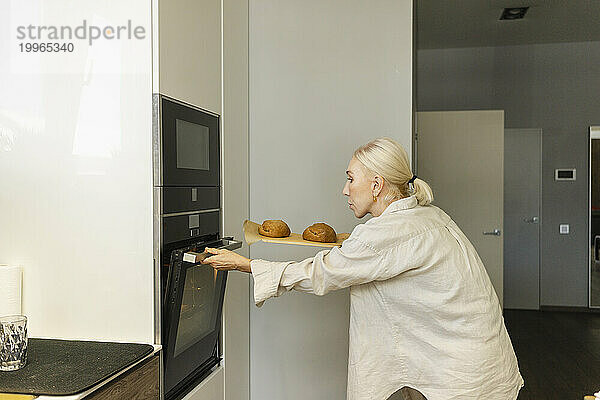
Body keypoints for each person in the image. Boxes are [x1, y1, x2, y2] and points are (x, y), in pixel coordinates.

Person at [202, 137, 524, 400]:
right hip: (480, 358)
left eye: (351, 178)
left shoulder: (385, 233)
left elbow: (322, 273)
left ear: (376, 185)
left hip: (465, 374)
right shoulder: (428, 216)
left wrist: (245, 264)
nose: (345, 189)